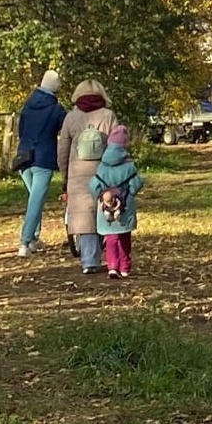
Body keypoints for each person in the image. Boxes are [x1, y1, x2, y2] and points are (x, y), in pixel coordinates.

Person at [58, 78, 117, 274]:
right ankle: (107, 253)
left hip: (77, 173)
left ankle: (89, 260)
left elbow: (63, 150)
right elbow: (117, 146)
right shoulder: (108, 116)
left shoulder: (70, 118)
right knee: (104, 210)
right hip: (103, 170)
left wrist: (64, 176)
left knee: (84, 215)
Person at [15, 69, 66, 257]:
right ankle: (24, 242)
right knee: (36, 201)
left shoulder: (27, 106)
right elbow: (66, 130)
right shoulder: (56, 110)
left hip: (24, 158)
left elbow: (21, 131)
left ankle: (35, 237)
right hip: (43, 160)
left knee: (33, 199)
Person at [89, 124, 143, 279]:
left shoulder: (102, 166)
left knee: (111, 237)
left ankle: (112, 266)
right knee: (124, 236)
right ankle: (125, 267)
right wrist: (130, 194)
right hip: (124, 206)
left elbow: (93, 185)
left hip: (106, 209)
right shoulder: (129, 165)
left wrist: (102, 196)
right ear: (125, 145)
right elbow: (136, 183)